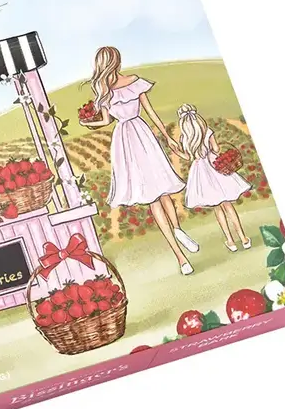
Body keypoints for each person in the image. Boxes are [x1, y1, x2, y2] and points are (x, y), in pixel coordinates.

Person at [82, 46, 199, 276]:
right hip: (129, 139)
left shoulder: (128, 84)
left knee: (161, 191)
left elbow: (148, 112)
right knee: (154, 195)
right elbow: (107, 120)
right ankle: (180, 254)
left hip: (138, 136)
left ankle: (178, 235)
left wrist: (167, 137)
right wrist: (88, 122)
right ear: (116, 61)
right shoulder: (109, 90)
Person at [175, 103, 252, 252]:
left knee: (217, 207)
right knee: (228, 205)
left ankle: (230, 241)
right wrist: (213, 152)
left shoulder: (185, 138)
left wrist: (177, 152)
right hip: (214, 164)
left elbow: (189, 157)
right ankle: (243, 238)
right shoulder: (207, 131)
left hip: (200, 171)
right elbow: (216, 149)